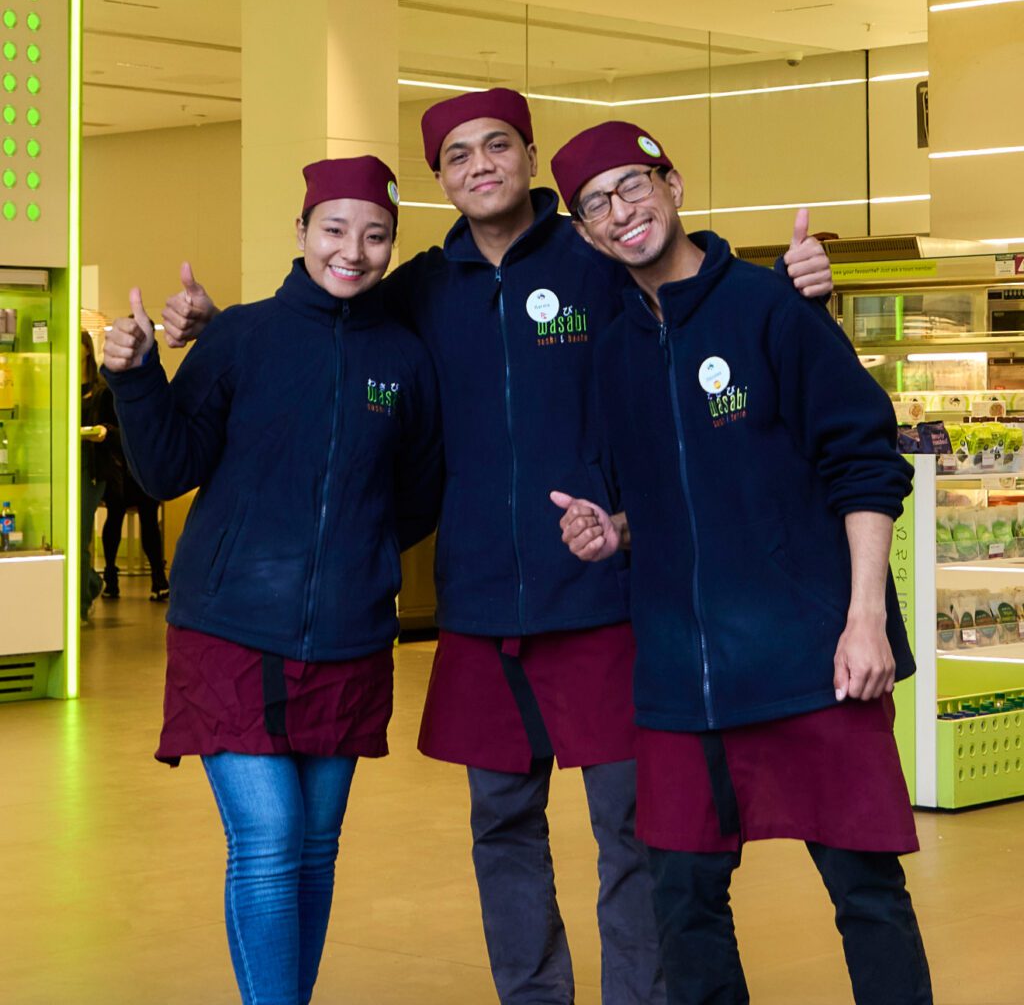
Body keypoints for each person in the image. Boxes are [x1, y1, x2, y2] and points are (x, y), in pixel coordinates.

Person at [159, 89, 834, 1005]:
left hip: (604, 593)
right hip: (478, 604)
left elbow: (702, 309)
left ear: (527, 155)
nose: (480, 165)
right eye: (458, 156)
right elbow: (326, 322)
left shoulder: (597, 261)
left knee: (627, 829)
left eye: (498, 146)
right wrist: (209, 331)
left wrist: (797, 297)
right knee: (502, 826)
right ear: (440, 180)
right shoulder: (420, 292)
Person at [549, 120, 932, 1005]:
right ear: (584, 232)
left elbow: (865, 464)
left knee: (867, 894)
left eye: (633, 185)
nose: (621, 211)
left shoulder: (772, 310)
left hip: (816, 661)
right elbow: (675, 497)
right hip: (684, 678)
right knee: (682, 900)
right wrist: (616, 532)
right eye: (596, 204)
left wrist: (865, 617)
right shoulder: (613, 350)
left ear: (674, 184)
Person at [101, 156, 442, 1005]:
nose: (353, 252)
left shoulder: (404, 358)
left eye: (374, 236)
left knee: (316, 849)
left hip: (350, 635)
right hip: (229, 629)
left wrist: (357, 552)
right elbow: (167, 468)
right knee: (271, 837)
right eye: (334, 230)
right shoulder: (240, 337)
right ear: (300, 234)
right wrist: (137, 376)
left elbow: (421, 490)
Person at [89, 379, 169, 601]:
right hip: (127, 467)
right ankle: (148, 577)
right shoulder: (111, 394)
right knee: (130, 519)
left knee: (139, 520)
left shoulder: (111, 392)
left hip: (130, 468)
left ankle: (140, 576)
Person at [80, 332, 115, 619]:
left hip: (90, 470)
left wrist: (101, 432)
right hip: (69, 467)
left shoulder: (101, 390)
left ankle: (81, 599)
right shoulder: (63, 386)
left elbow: (114, 429)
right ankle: (90, 584)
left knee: (80, 535)